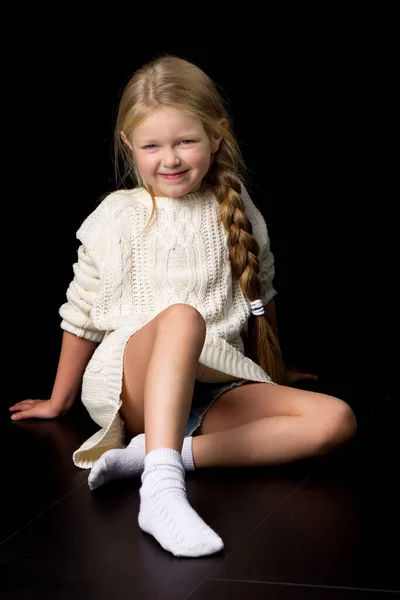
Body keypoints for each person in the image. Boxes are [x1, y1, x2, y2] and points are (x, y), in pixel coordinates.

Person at [8, 54, 357, 558]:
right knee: (181, 317)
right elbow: (80, 312)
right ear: (129, 146)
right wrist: (58, 400)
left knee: (335, 421)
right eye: (152, 146)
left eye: (185, 142)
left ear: (217, 136)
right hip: (133, 381)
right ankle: (161, 492)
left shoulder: (235, 205)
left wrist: (276, 370)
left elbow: (261, 293)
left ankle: (151, 459)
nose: (169, 159)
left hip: (211, 384)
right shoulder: (117, 214)